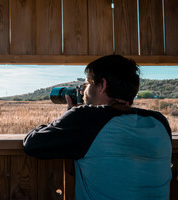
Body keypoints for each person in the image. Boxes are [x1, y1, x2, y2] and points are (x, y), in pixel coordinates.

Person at [23, 55, 172, 200]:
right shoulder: (159, 121)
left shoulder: (87, 119)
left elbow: (32, 143)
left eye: (87, 83)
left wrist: (70, 115)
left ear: (102, 85)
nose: (83, 91)